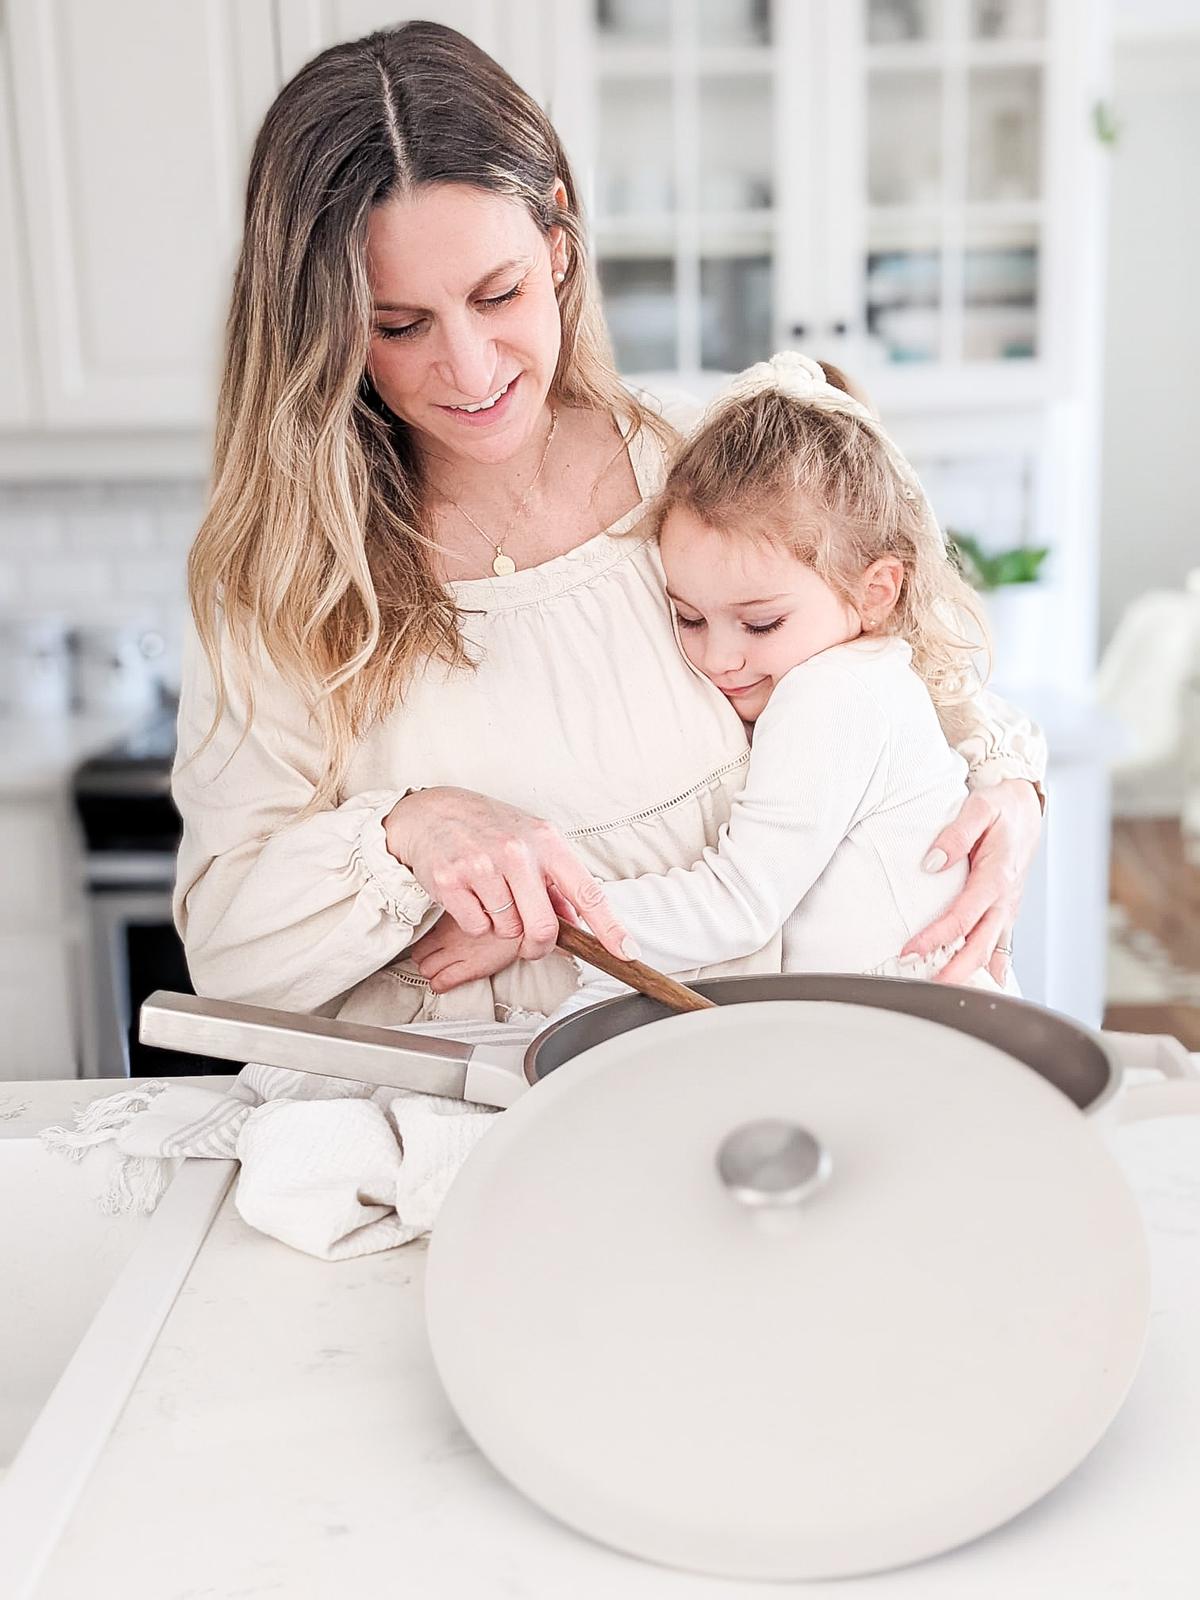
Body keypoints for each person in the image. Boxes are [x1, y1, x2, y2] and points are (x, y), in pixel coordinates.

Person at [173, 21, 1046, 1035]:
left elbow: (921, 675)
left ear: (559, 242)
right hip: (495, 1121)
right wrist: (410, 827)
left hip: (786, 1081)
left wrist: (1014, 792)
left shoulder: (707, 470)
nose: (470, 367)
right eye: (399, 325)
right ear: (321, 330)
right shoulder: (283, 584)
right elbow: (232, 959)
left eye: (497, 294)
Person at [411, 352, 1013, 994]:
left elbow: (739, 906)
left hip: (917, 1035)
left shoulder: (835, 692)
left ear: (876, 592)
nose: (720, 658)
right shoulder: (858, 673)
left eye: (760, 625)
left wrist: (542, 924)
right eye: (690, 619)